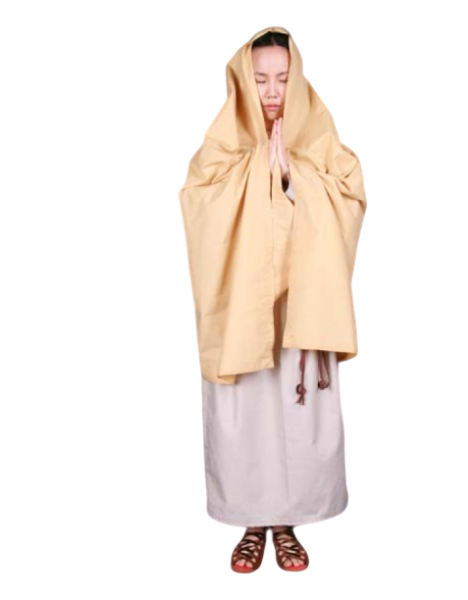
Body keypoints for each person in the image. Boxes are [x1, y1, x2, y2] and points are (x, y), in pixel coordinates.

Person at [178, 25, 368, 575]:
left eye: (282, 79)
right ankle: (249, 524)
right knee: (246, 412)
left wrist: (292, 174)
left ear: (298, 79)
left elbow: (351, 192)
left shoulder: (320, 133)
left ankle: (288, 525)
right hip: (242, 310)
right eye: (259, 79)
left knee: (296, 410)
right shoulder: (223, 139)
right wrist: (254, 170)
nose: (271, 91)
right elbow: (196, 198)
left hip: (302, 309)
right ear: (243, 79)